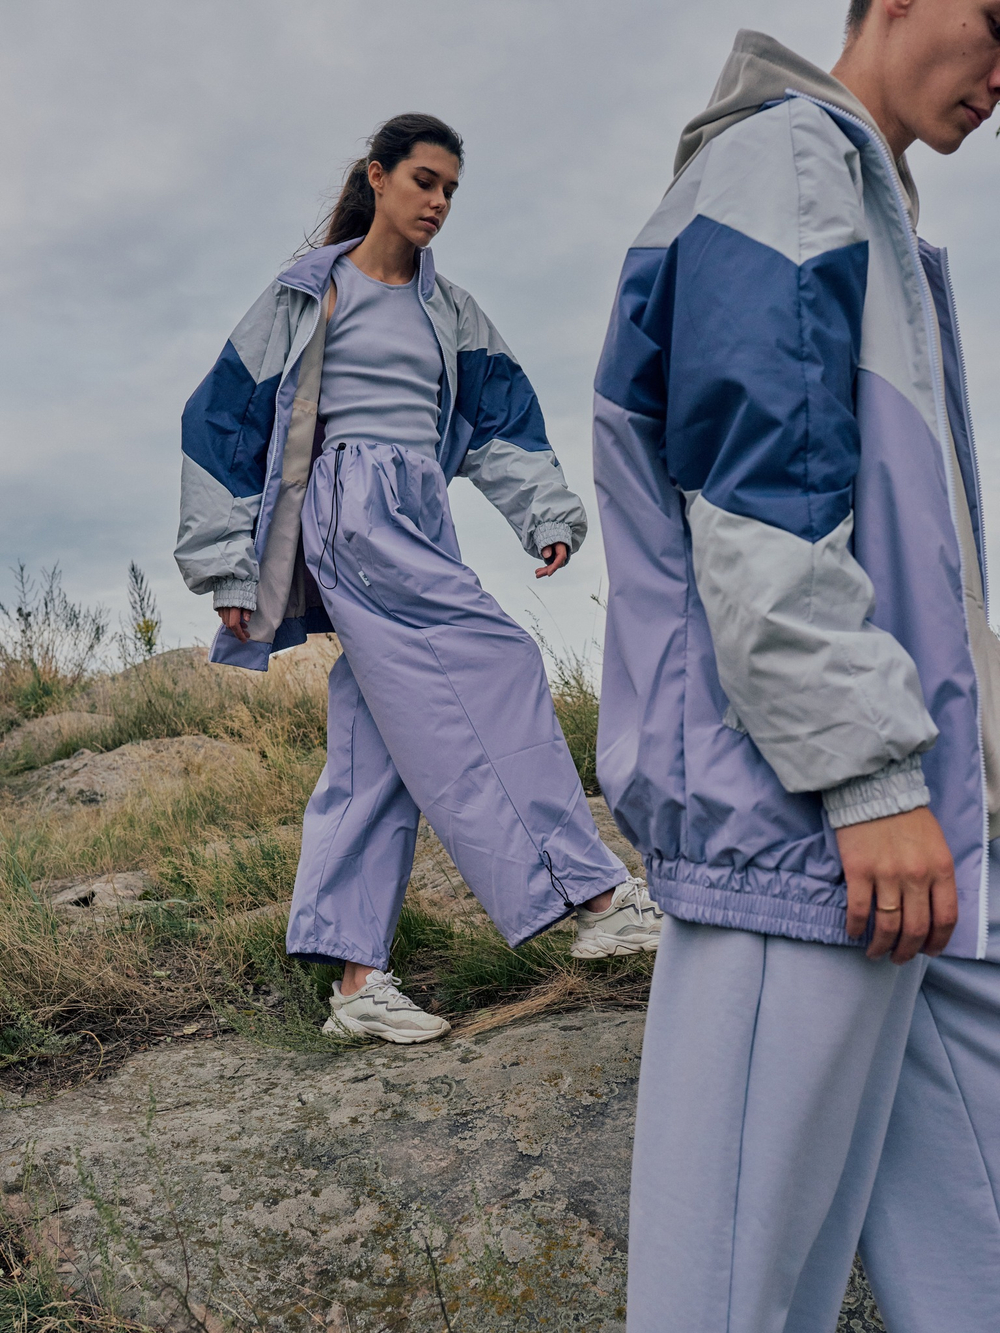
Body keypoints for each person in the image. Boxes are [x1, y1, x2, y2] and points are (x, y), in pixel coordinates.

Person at [594, 6, 1000, 1331]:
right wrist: (871, 777)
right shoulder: (784, 159)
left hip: (925, 839)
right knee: (728, 1304)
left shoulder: (871, 212)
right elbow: (758, 495)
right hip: (808, 834)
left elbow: (901, 538)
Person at [176, 113, 662, 1046]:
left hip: (420, 507)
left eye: (449, 189)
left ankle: (355, 980)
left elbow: (502, 418)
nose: (437, 202)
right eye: (423, 181)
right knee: (501, 660)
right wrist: (224, 560)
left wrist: (543, 512)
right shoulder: (308, 296)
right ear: (378, 176)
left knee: (379, 741)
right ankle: (593, 895)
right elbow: (220, 420)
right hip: (353, 508)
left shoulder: (449, 310)